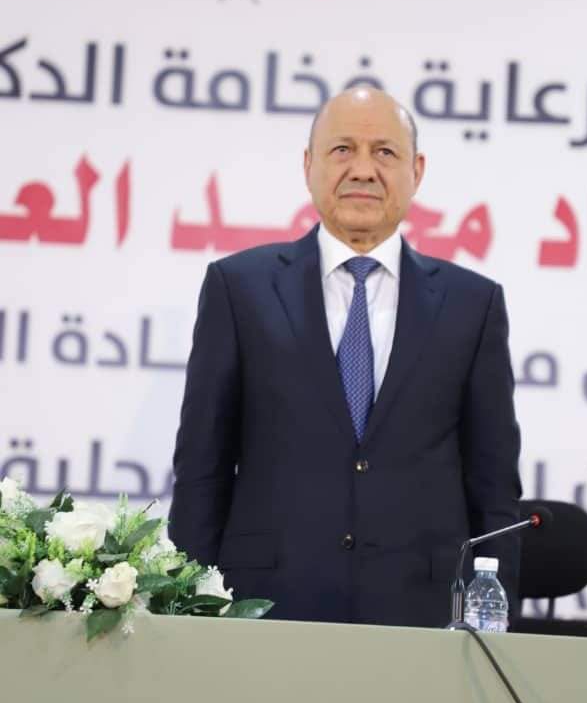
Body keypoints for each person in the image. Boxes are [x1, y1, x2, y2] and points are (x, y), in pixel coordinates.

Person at [169, 86, 521, 627]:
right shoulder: (238, 289)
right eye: (342, 150)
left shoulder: (473, 305)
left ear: (416, 171)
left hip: (422, 615)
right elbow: (202, 469)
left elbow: (493, 486)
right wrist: (185, 611)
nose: (362, 170)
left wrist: (494, 624)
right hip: (265, 608)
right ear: (308, 165)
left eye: (385, 152)